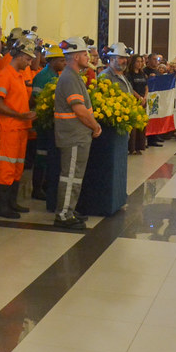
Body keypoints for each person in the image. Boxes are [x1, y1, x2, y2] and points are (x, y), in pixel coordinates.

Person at [53, 37, 101, 230]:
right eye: (84, 54)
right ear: (75, 57)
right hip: (73, 135)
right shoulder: (69, 78)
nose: (87, 57)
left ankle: (69, 210)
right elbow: (79, 109)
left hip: (78, 135)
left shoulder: (74, 76)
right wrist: (95, 126)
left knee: (75, 175)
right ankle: (64, 215)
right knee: (70, 176)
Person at [0, 36, 37, 219]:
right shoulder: (5, 75)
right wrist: (19, 116)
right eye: (27, 58)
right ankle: (2, 207)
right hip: (10, 128)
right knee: (7, 168)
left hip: (21, 129)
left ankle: (12, 202)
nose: (29, 62)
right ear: (19, 56)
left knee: (17, 167)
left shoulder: (19, 76)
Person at [31, 44, 66, 199]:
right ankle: (37, 189)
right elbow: (37, 99)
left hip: (52, 122)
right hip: (43, 122)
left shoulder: (55, 75)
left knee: (48, 156)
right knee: (41, 155)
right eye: (61, 60)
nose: (64, 63)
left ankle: (45, 185)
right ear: (52, 61)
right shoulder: (42, 77)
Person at [126, 54, 149, 154]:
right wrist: (139, 97)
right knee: (134, 125)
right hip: (134, 101)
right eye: (137, 61)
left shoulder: (143, 74)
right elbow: (130, 88)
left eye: (141, 61)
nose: (140, 64)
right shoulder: (129, 74)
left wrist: (145, 97)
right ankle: (132, 148)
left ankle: (140, 146)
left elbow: (146, 86)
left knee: (142, 124)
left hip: (143, 101)